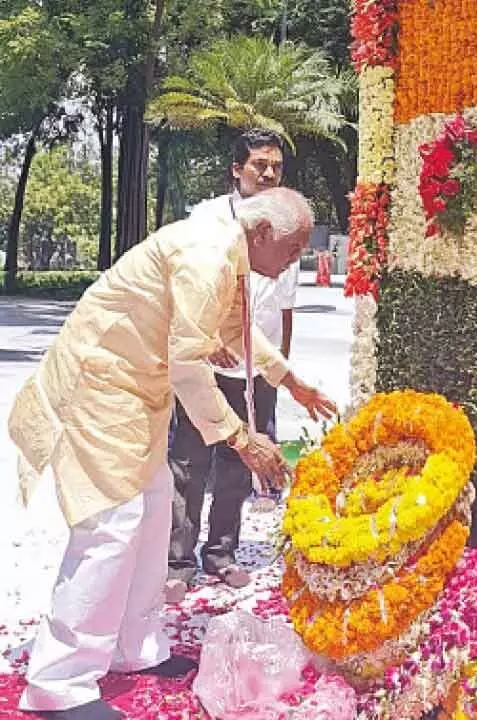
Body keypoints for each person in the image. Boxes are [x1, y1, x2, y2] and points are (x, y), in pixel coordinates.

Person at [7, 187, 337, 720]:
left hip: (135, 394)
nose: (294, 261)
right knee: (109, 527)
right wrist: (240, 438)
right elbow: (188, 365)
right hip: (100, 386)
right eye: (294, 250)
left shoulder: (227, 249)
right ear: (261, 234)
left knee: (155, 514)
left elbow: (233, 328)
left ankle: (133, 648)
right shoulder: (208, 255)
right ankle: (58, 683)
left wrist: (290, 380)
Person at [165, 128, 301, 601]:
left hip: (255, 369)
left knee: (239, 464)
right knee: (189, 460)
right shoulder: (207, 218)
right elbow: (185, 288)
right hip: (203, 361)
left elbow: (284, 310)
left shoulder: (286, 227)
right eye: (259, 164)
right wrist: (201, 343)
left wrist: (280, 373)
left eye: (276, 167)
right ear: (236, 169)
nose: (268, 173)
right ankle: (177, 563)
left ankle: (221, 554)